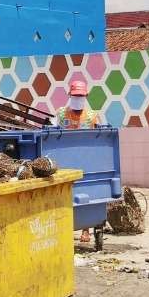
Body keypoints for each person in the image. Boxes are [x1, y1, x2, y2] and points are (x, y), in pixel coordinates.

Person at [54, 79, 104, 246]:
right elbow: (54, 133)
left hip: (87, 160)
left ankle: (86, 229)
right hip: (65, 161)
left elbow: (100, 137)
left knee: (87, 193)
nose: (78, 98)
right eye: (75, 95)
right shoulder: (61, 114)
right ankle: (66, 226)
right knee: (68, 194)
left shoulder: (92, 116)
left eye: (81, 96)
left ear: (86, 96)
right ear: (69, 95)